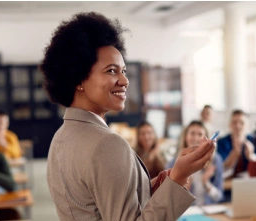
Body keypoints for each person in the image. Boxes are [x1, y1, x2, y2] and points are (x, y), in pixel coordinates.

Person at [40, 12, 216, 220]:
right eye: (111, 71)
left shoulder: (60, 138)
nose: (124, 81)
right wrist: (179, 177)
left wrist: (158, 183)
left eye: (123, 70)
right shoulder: (106, 144)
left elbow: (99, 203)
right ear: (78, 79)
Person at [167, 121, 224, 205]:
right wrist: (185, 188)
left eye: (200, 134)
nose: (196, 138)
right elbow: (169, 201)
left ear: (206, 139)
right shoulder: (173, 163)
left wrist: (206, 183)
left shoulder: (215, 160)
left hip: (209, 211)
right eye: (192, 133)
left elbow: (219, 198)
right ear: (185, 137)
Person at [217, 109, 256, 178]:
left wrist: (251, 156)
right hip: (228, 183)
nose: (237, 126)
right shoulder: (222, 142)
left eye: (241, 123)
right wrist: (233, 155)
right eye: (234, 122)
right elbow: (220, 167)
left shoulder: (255, 141)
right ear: (230, 125)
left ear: (247, 125)